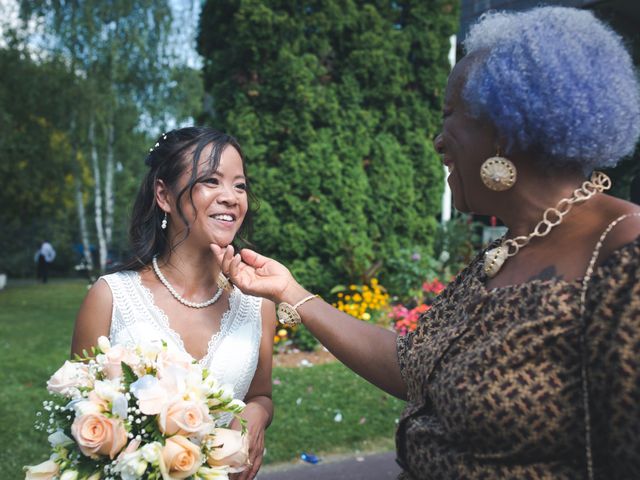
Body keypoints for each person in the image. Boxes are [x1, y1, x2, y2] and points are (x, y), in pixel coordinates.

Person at [212, 7, 640, 479]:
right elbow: (415, 367)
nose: (438, 141)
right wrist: (290, 293)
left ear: (502, 125)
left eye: (450, 115)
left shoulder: (623, 254)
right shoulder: (506, 252)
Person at [71, 127, 275, 480]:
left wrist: (257, 414)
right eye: (211, 180)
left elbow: (261, 395)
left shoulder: (259, 305)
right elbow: (78, 416)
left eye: (239, 185)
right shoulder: (110, 298)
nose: (231, 197)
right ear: (164, 195)